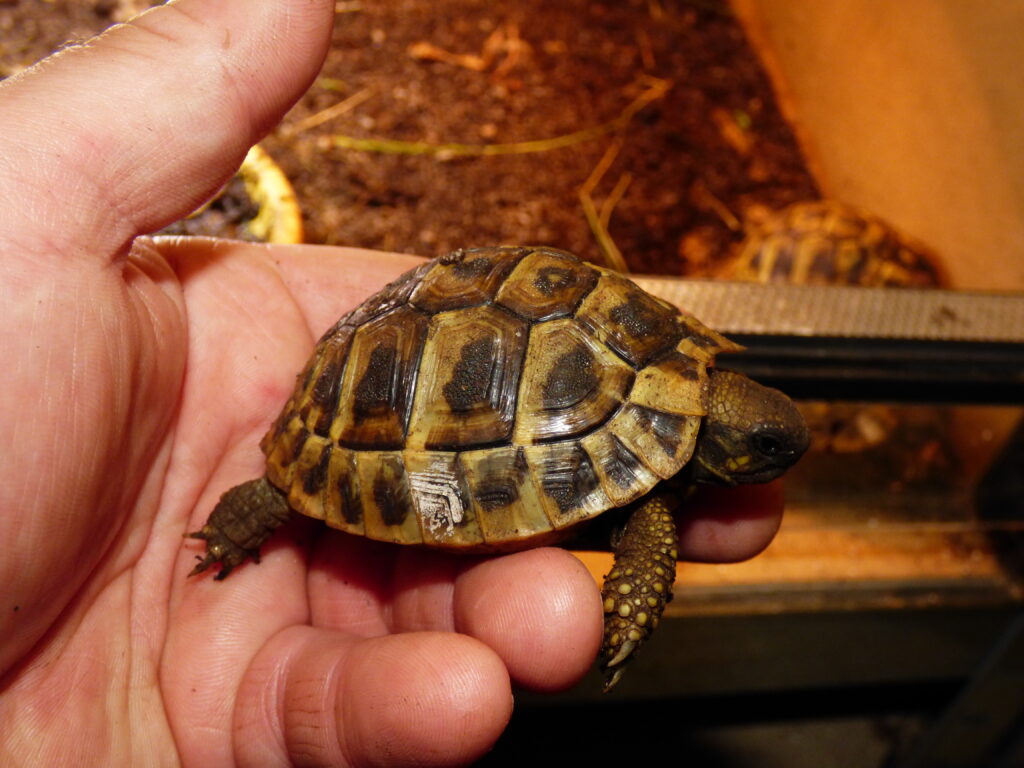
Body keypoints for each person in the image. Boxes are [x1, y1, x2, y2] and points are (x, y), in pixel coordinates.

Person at [0, 1, 784, 764]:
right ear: (725, 442)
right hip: (381, 403)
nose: (772, 455)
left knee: (501, 648)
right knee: (280, 498)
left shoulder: (665, 370)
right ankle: (269, 497)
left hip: (446, 357)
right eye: (763, 447)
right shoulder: (653, 492)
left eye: (766, 444)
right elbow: (646, 543)